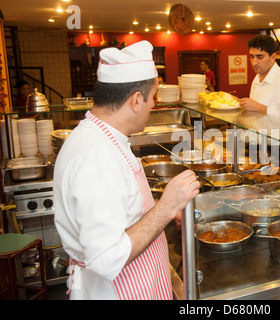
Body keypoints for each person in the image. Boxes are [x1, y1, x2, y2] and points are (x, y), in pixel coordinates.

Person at [53, 41, 201, 300]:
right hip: (118, 292)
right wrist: (166, 206)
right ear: (135, 100)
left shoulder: (104, 138)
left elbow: (120, 206)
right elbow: (107, 256)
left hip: (142, 282)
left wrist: (163, 209)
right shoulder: (96, 156)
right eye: (153, 95)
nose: (154, 104)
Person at [239, 35, 280, 122]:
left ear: (273, 57)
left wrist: (262, 109)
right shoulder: (257, 78)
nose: (254, 63)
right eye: (252, 57)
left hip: (277, 135)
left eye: (259, 57)